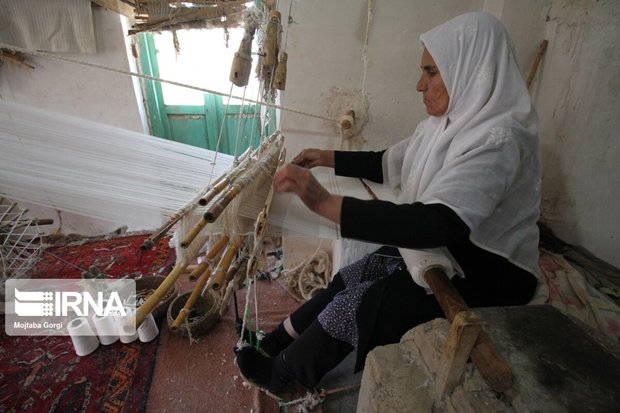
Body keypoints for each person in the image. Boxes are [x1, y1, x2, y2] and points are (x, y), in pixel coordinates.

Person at [235, 11, 541, 396]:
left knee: (362, 303)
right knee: (353, 275)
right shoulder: (446, 126)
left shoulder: (499, 139)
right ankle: (277, 340)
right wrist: (325, 156)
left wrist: (323, 201)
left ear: (470, 69)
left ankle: (287, 374)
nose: (419, 84)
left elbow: (439, 223)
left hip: (492, 272)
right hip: (455, 248)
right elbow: (389, 162)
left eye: (431, 72)